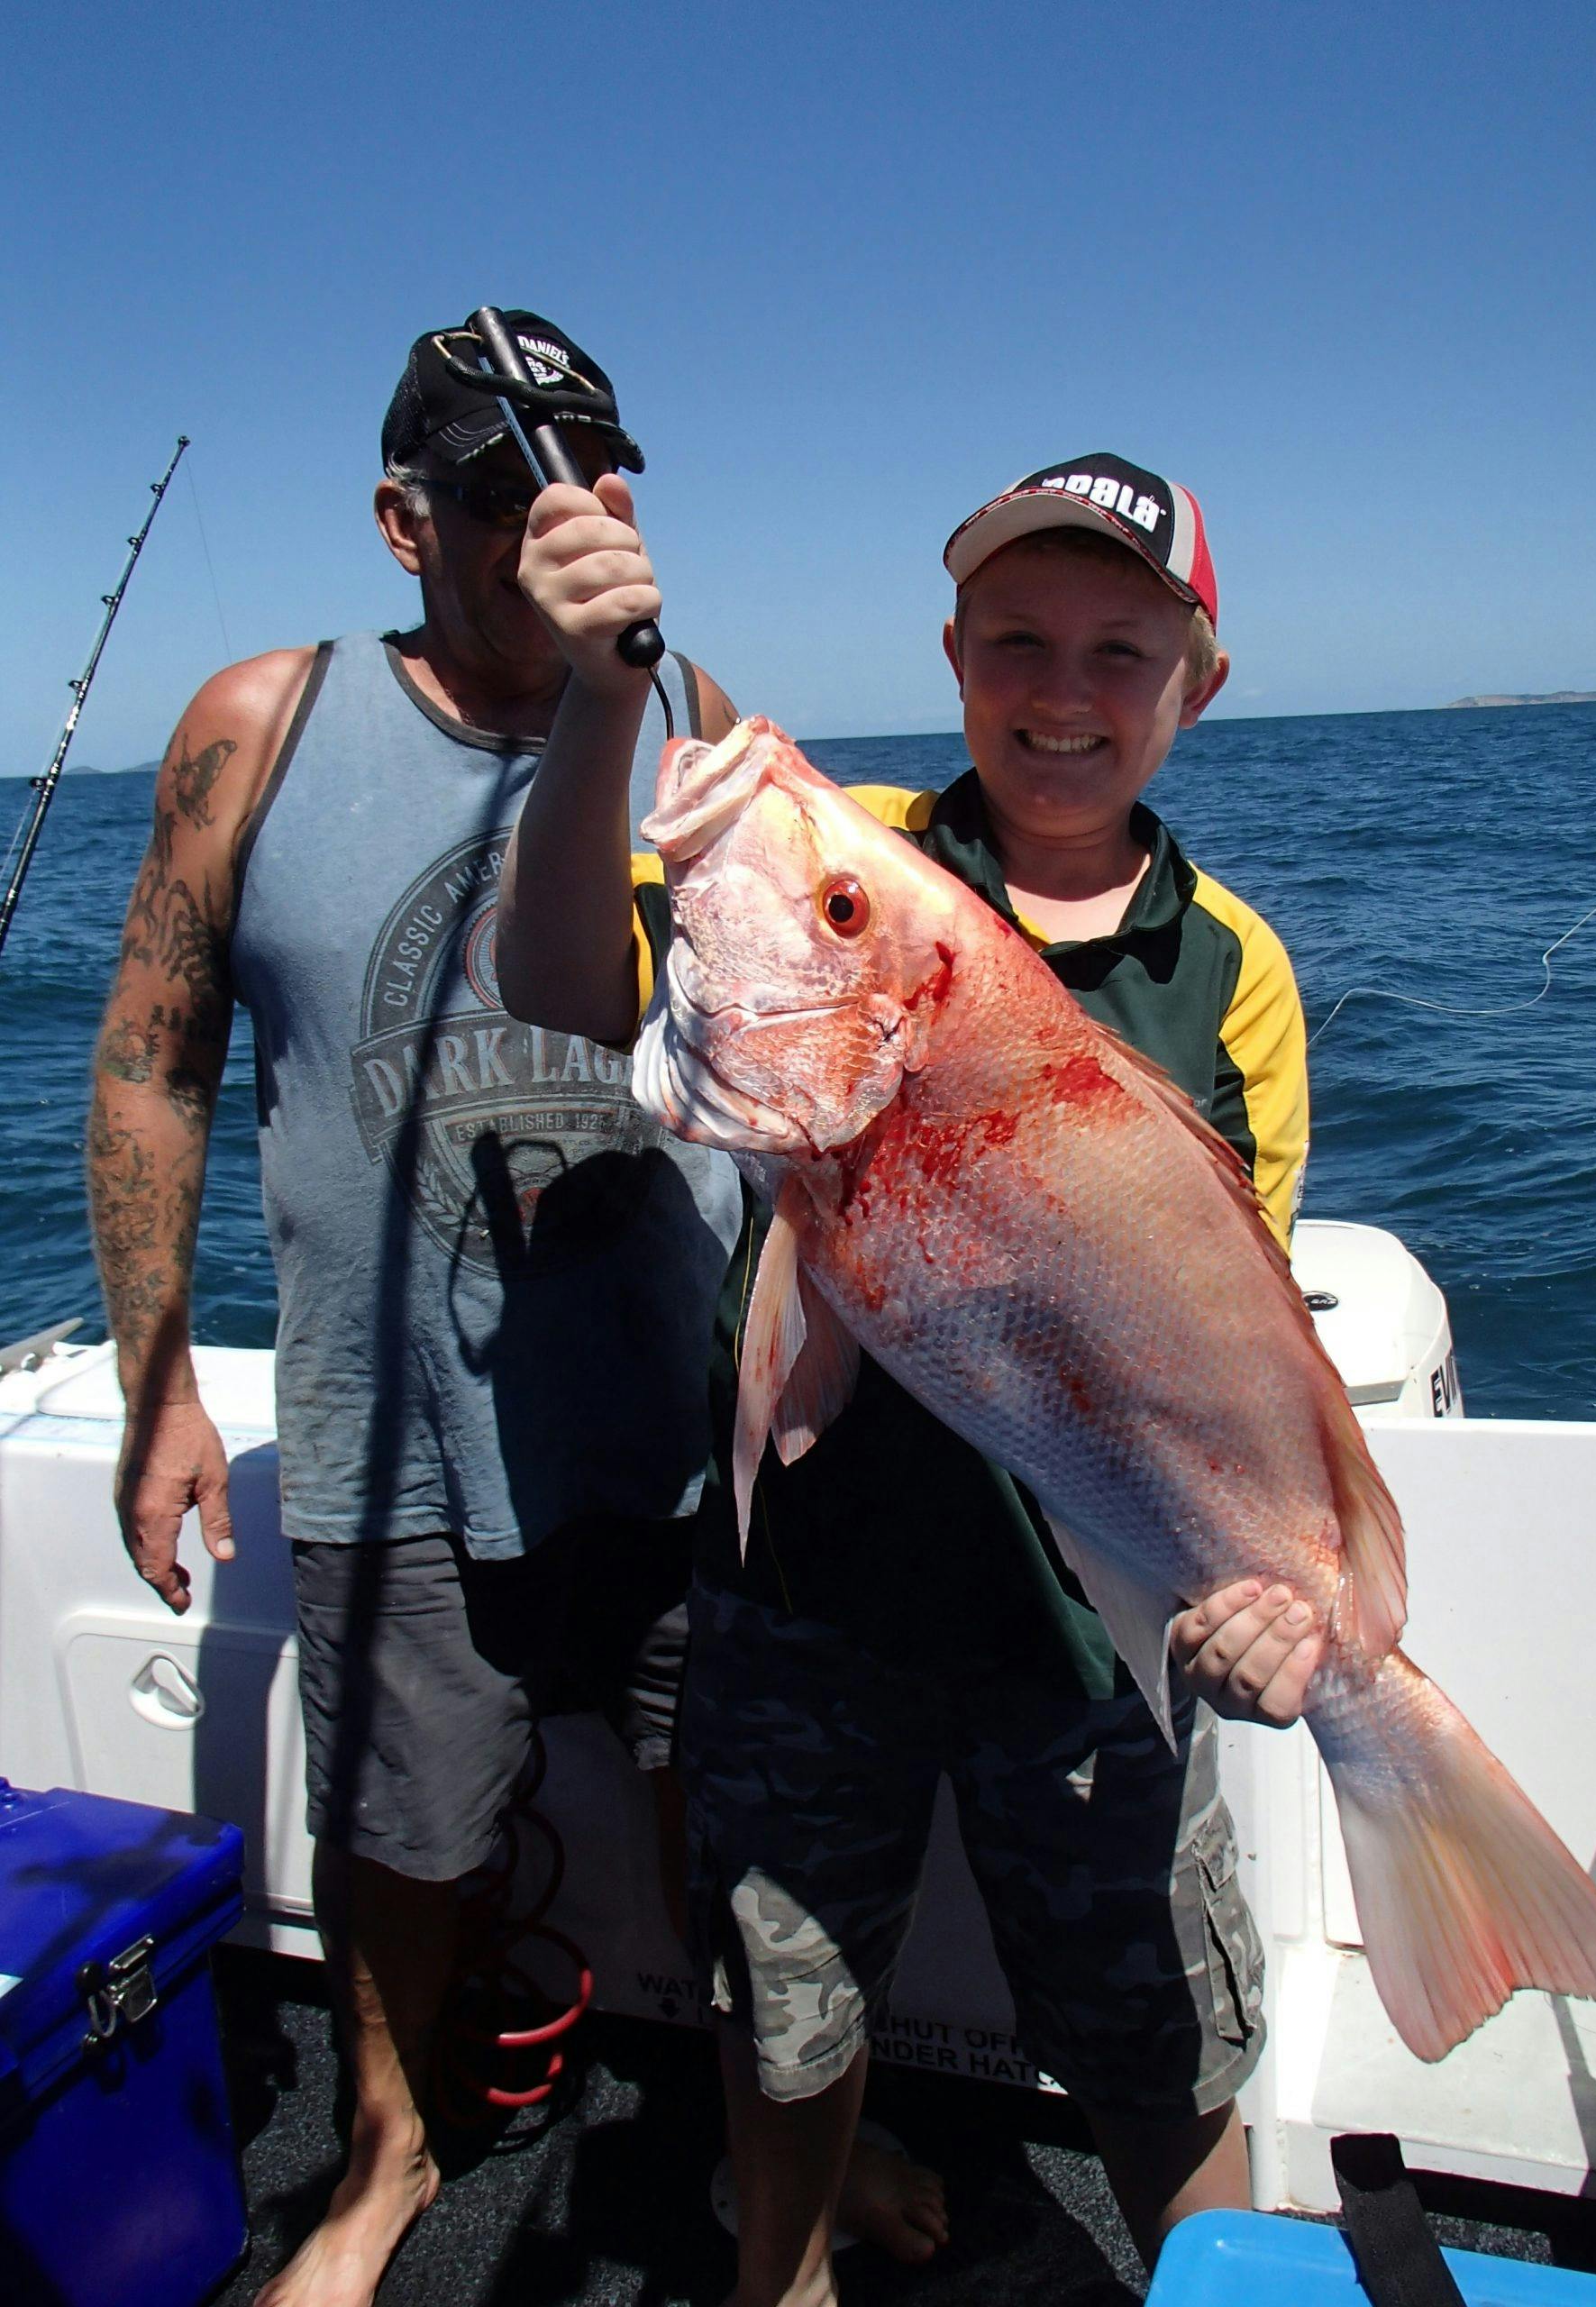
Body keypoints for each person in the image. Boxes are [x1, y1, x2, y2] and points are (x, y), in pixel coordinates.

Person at [498, 449, 1326, 2305]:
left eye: (1123, 651)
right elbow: (562, 966)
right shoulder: (853, 856)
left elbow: (1229, 1337)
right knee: (782, 2029)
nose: (1060, 688)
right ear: (952, 655)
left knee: (1161, 2051)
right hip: (807, 1609)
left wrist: (1264, 1592)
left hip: (1085, 1644)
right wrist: (601, 697)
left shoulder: (1233, 973)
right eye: (1015, 639)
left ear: (1199, 684)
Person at [86, 311, 745, 2307]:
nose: (559, 517)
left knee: (716, 1773)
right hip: (389, 1408)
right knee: (408, 1823)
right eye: (497, 487)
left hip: (661, 1394)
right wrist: (157, 1386)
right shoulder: (258, 721)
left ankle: (771, 2117)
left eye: (597, 474)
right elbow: (149, 1056)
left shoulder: (693, 705)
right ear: (402, 523)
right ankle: (383, 2156)